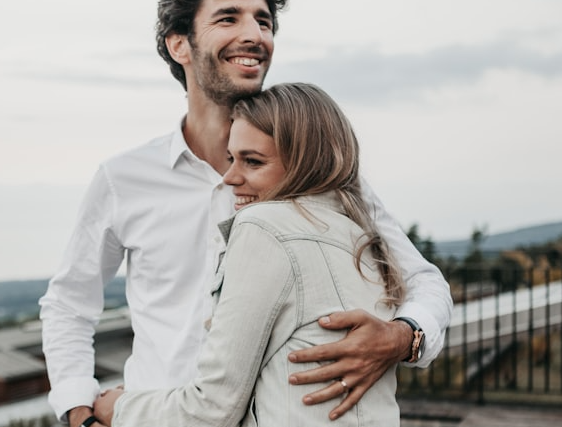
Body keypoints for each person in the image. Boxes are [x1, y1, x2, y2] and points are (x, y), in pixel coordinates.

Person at [38, 0, 452, 426]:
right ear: (179, 44)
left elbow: (423, 281)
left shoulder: (317, 172)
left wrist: (403, 337)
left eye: (264, 21)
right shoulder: (123, 178)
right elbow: (69, 304)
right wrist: (78, 411)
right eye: (228, 18)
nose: (255, 34)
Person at [93, 82, 405, 427]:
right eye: (232, 159)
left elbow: (213, 409)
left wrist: (118, 408)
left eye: (252, 162)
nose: (230, 178)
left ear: (304, 163)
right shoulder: (363, 236)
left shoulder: (263, 227)